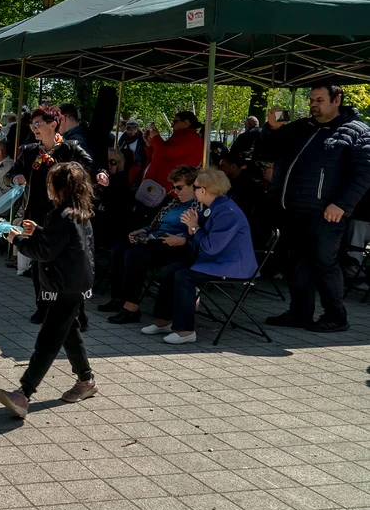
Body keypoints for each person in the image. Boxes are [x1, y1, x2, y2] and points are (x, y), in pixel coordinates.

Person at [260, 83, 370, 332]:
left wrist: (342, 204)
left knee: (323, 263)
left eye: (319, 100)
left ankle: (336, 316)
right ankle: (300, 312)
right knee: (295, 263)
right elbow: (266, 151)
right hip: (292, 208)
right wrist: (272, 129)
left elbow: (364, 174)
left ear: (337, 100)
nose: (313, 105)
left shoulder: (357, 131)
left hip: (326, 212)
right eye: (311, 100)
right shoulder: (302, 127)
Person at [0, 162, 98, 419]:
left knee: (48, 341)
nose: (47, 187)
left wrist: (16, 239)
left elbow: (43, 252)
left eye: (50, 183)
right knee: (69, 332)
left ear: (60, 188)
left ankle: (24, 393)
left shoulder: (63, 217)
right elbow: (59, 243)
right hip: (73, 283)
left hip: (66, 286)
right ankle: (86, 380)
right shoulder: (77, 213)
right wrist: (37, 231)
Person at [140, 168, 256, 344]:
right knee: (172, 269)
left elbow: (210, 247)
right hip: (216, 260)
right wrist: (189, 231)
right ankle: (164, 321)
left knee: (184, 276)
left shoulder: (227, 211)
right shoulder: (215, 207)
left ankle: (186, 331)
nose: (193, 191)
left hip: (230, 265)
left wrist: (194, 228)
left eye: (195, 187)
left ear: (204, 190)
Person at [8, 105, 101, 324]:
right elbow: (11, 173)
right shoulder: (30, 150)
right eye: (32, 124)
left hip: (65, 216)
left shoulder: (71, 147)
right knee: (40, 264)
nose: (34, 128)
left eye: (38, 123)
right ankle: (43, 307)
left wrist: (102, 174)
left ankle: (78, 312)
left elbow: (91, 167)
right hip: (37, 214)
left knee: (70, 264)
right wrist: (16, 178)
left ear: (53, 124)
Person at [100, 166, 199, 323]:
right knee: (119, 249)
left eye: (179, 187)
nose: (175, 191)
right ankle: (118, 298)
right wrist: (142, 231)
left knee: (135, 254)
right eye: (174, 187)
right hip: (157, 238)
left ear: (193, 185)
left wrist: (181, 237)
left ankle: (131, 307)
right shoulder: (173, 202)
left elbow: (196, 234)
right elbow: (156, 225)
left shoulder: (197, 206)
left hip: (177, 244)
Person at [142, 111, 204, 191]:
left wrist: (155, 138)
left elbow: (165, 153)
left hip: (168, 189)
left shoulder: (191, 139)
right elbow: (159, 155)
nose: (172, 125)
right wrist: (150, 144)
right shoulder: (181, 137)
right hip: (157, 186)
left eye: (175, 122)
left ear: (186, 122)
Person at [117, 120, 148, 185]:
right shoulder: (125, 136)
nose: (129, 132)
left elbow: (143, 154)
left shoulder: (141, 138)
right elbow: (120, 145)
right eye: (128, 130)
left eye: (131, 130)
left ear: (136, 129)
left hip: (135, 163)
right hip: (124, 161)